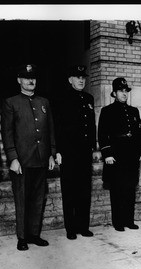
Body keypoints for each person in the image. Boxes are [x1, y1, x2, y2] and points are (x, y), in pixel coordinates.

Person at [1, 64, 56, 251]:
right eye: (26, 78)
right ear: (19, 80)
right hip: (22, 161)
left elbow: (50, 130)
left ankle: (34, 234)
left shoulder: (44, 102)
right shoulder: (11, 102)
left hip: (41, 159)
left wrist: (51, 154)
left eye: (33, 78)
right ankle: (22, 237)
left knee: (38, 199)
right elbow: (7, 133)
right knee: (22, 199)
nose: (30, 81)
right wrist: (12, 158)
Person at [98, 77, 141, 231]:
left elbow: (140, 133)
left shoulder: (134, 111)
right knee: (117, 189)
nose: (124, 93)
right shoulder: (107, 111)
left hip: (131, 155)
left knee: (130, 189)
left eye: (126, 91)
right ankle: (118, 222)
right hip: (116, 155)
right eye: (121, 91)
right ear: (114, 93)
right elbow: (102, 134)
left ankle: (129, 220)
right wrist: (107, 154)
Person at [55, 65, 96, 240]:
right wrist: (57, 151)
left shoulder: (89, 98)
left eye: (83, 77)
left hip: (85, 152)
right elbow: (57, 126)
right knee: (70, 191)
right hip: (69, 152)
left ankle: (83, 226)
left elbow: (91, 124)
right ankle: (71, 228)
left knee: (84, 190)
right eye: (77, 77)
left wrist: (93, 147)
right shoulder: (61, 99)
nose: (81, 80)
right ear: (70, 79)